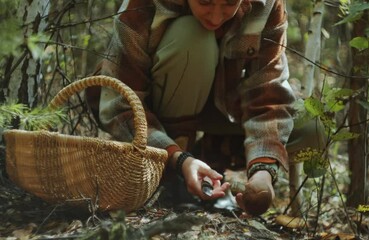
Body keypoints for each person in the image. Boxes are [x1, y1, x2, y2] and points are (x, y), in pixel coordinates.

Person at [87, 0, 326, 216]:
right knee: (192, 36)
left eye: (230, 3)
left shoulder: (267, 5)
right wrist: (179, 160)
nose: (215, 16)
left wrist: (263, 171)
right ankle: (172, 179)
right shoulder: (143, 4)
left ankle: (211, 162)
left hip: (224, 109)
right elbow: (119, 105)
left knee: (312, 128)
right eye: (205, 2)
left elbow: (267, 93)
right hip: (160, 109)